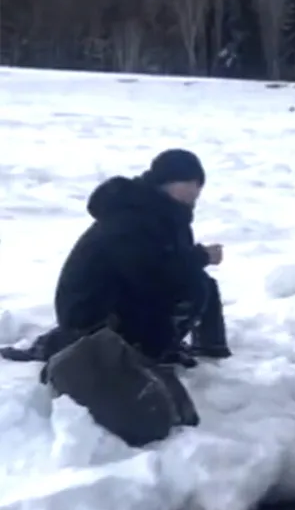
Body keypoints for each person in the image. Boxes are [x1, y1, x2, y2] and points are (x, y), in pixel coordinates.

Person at [44, 148, 228, 365]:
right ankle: (142, 352)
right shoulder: (133, 216)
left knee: (199, 282)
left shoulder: (164, 212)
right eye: (192, 183)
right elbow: (150, 274)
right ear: (171, 182)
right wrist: (200, 257)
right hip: (90, 315)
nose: (197, 191)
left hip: (118, 301)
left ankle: (202, 349)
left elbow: (164, 265)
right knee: (191, 286)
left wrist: (197, 259)